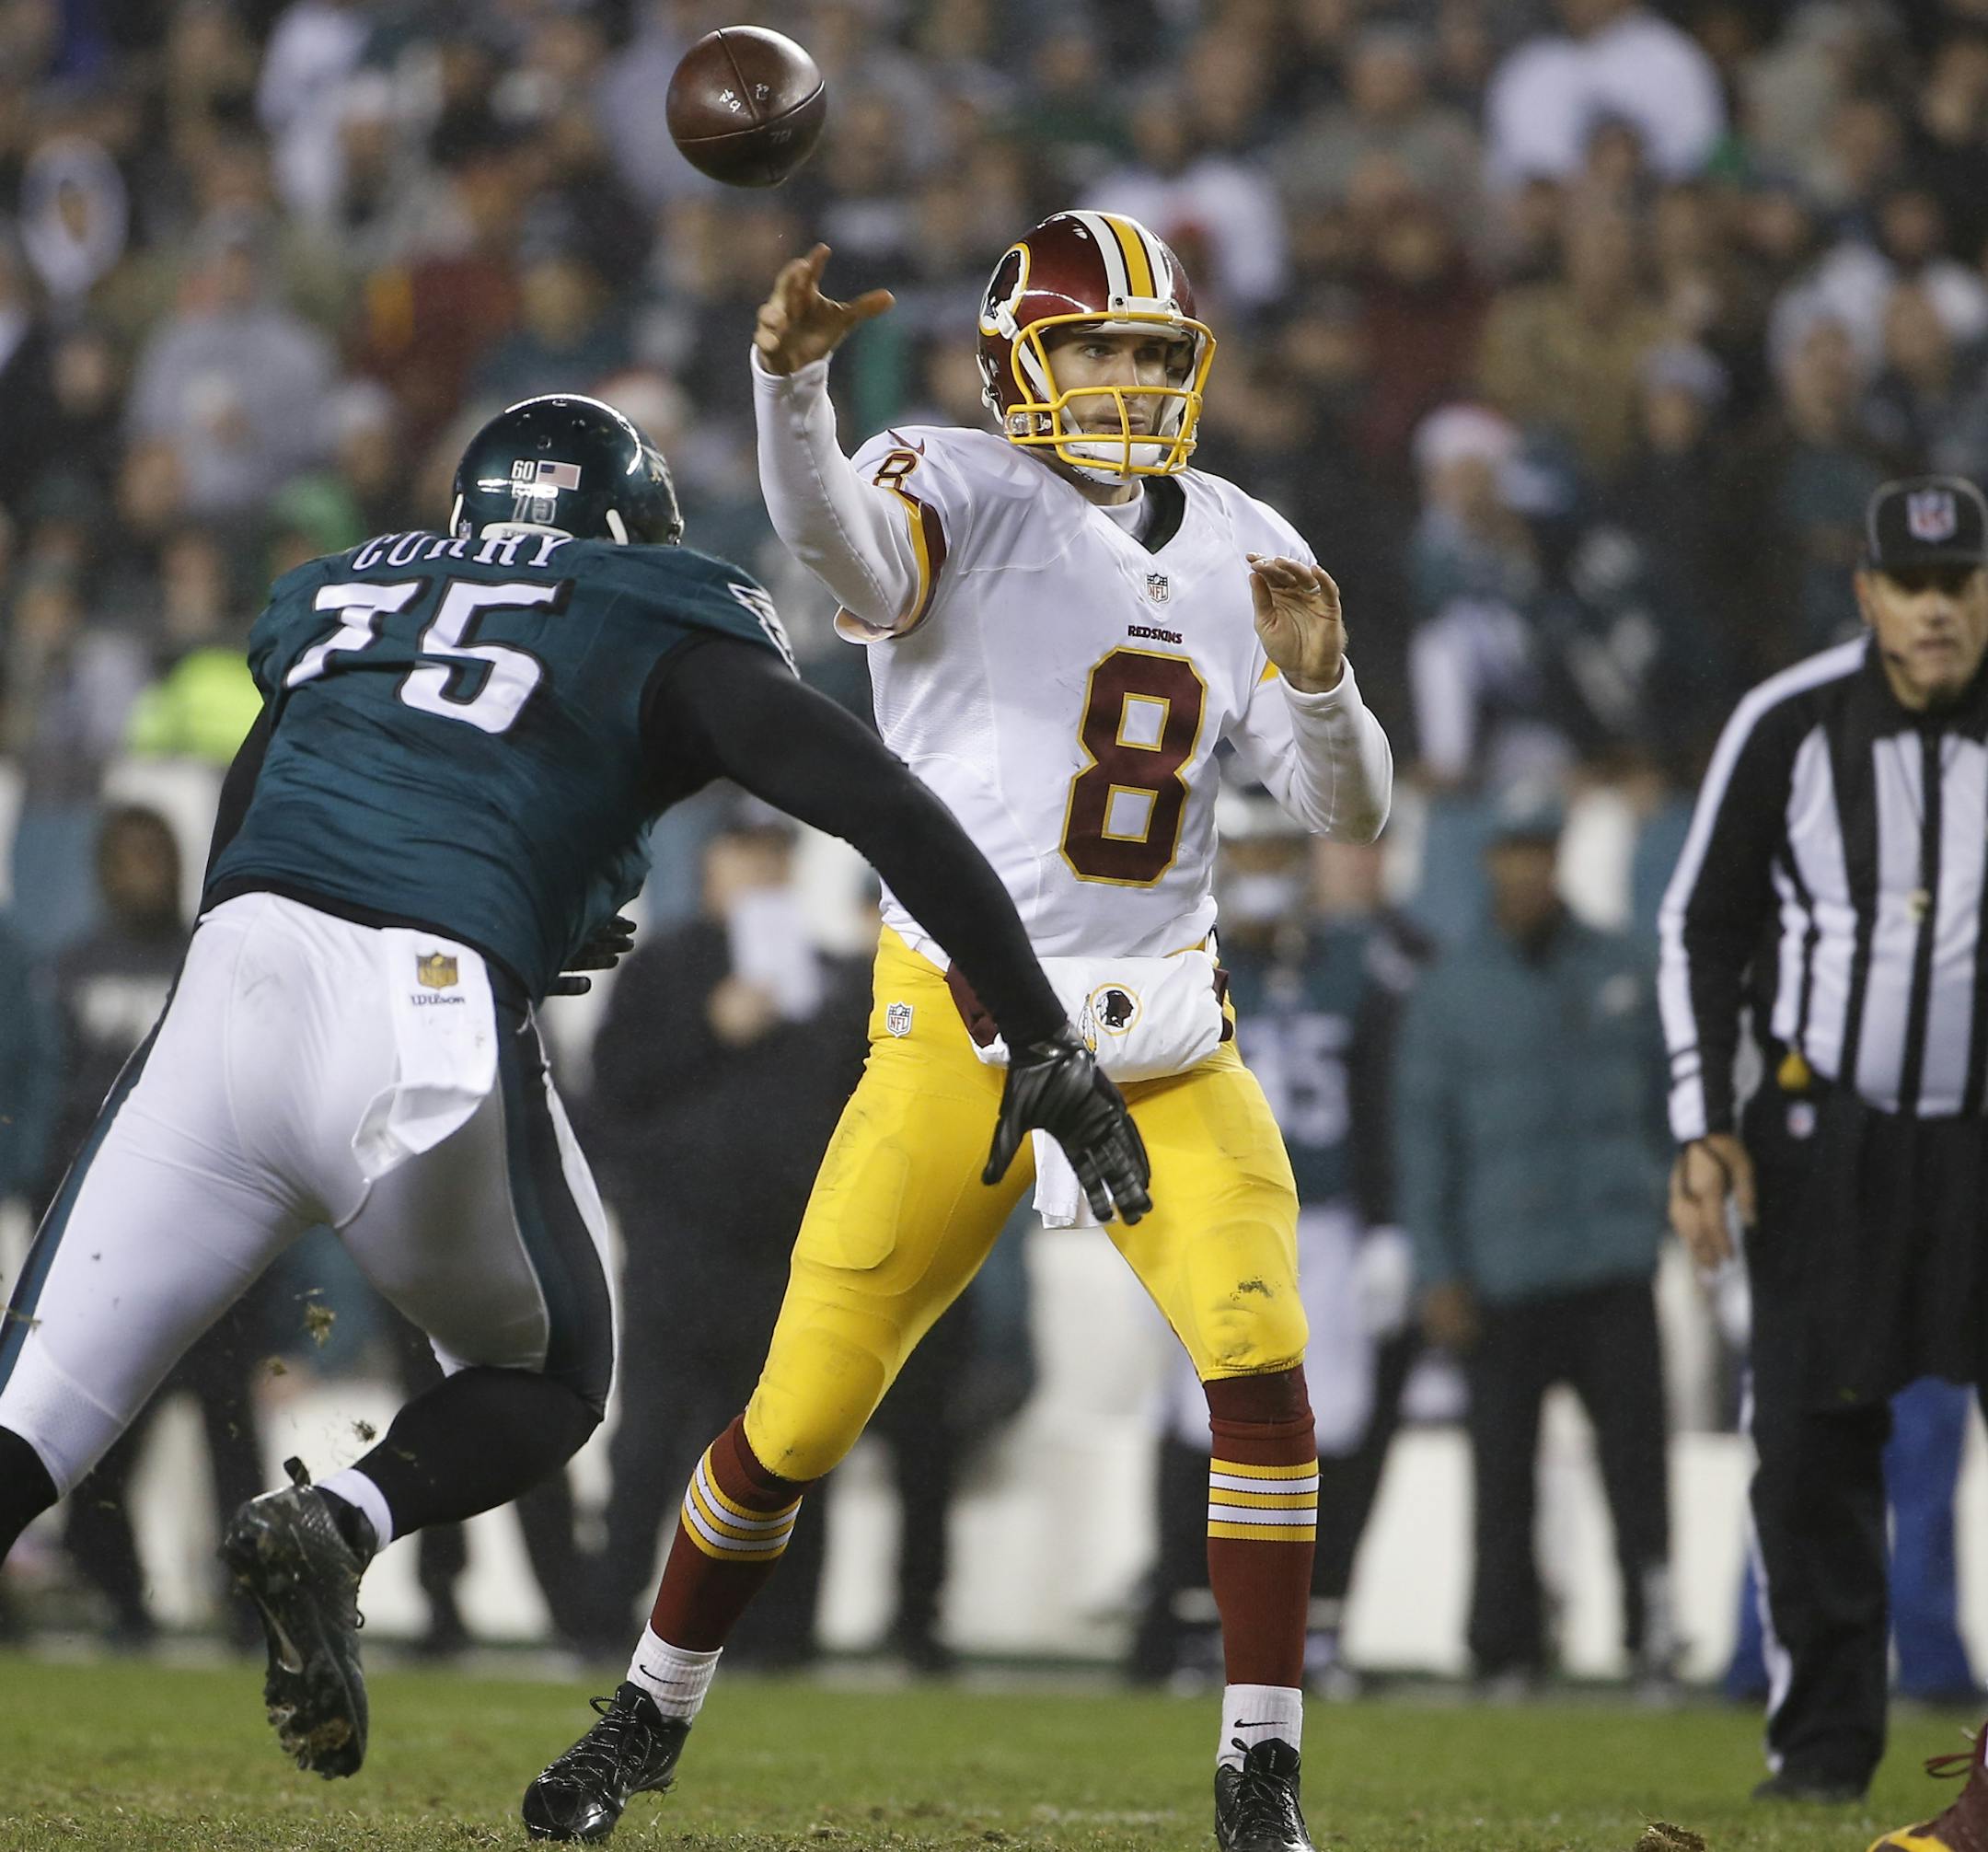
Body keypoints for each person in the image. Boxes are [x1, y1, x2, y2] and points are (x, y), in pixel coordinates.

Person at [0, 393, 1148, 1783]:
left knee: (32, 1420)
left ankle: (318, 1520)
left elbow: (263, 806)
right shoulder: (647, 607)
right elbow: (887, 806)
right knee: (550, 1376)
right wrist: (1040, 1034)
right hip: (418, 1007)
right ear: (623, 529)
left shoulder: (357, 592)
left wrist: (524, 893)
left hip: (229, 982)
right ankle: (347, 1520)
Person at [526, 214, 1393, 1852]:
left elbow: (1345, 807)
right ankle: (649, 1705)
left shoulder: (1243, 535)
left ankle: (1260, 1763)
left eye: (1154, 350)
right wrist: (791, 388)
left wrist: (1329, 686)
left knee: (1261, 1365)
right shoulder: (954, 478)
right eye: (1098, 347)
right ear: (1020, 362)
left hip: (1164, 1037)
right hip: (964, 1031)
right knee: (794, 1418)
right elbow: (844, 546)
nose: (1131, 377)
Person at [1661, 473, 1988, 1831]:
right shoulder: (1787, 723)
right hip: (1824, 1138)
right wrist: (1703, 1125)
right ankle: (1821, 1747)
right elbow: (1702, 926)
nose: (1934, 611)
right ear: (1866, 593)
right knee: (1808, 1445)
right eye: (1910, 588)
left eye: (1957, 585)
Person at [1132, 793, 1426, 1698]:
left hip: (1326, 1219)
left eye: (1273, 852)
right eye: (1245, 852)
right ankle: (1189, 1625)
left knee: (1332, 1425)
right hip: (1214, 1213)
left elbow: (1384, 1104)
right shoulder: (1185, 962)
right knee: (1197, 1418)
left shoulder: (1355, 965)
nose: (1259, 871)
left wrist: (1385, 1225)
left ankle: (1321, 1629)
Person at [1399, 786, 1674, 1694]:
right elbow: (1423, 1137)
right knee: (1502, 1474)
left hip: (1610, 1256)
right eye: (1511, 849)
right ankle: (1503, 1645)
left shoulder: (1621, 964)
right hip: (1504, 1266)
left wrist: (1668, 1206)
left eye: (1539, 850)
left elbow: (1675, 1104)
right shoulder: (1450, 988)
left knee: (1639, 1466)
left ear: (1557, 858)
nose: (1526, 867)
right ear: (1489, 860)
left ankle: (1654, 1631)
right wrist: (1437, 1267)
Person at [582, 805, 868, 1659]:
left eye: (777, 855)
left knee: (786, 1441)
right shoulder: (663, 969)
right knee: (650, 1441)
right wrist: (712, 1029)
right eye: (746, 852)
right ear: (710, 866)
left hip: (787, 1250)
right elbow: (613, 1093)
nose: (762, 871)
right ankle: (607, 1620)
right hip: (680, 1241)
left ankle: (781, 1633)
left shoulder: (827, 979)